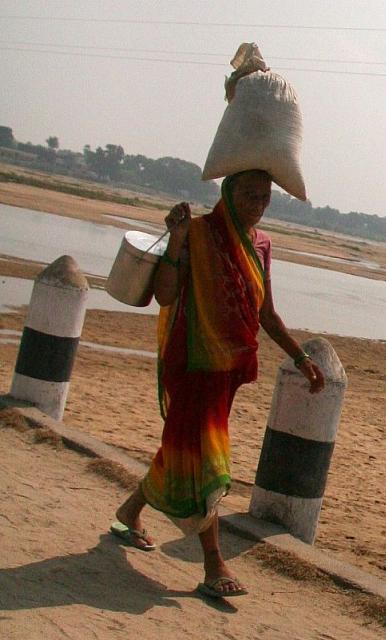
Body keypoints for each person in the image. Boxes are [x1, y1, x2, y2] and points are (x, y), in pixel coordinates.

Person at [111, 169, 325, 598]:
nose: (258, 205)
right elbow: (166, 295)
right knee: (209, 461)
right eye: (250, 195)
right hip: (194, 363)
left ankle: (130, 511)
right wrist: (176, 239)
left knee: (183, 447)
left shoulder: (261, 245)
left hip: (227, 370)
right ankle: (214, 564)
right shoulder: (197, 233)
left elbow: (265, 313)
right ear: (228, 192)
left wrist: (300, 357)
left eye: (265, 198)